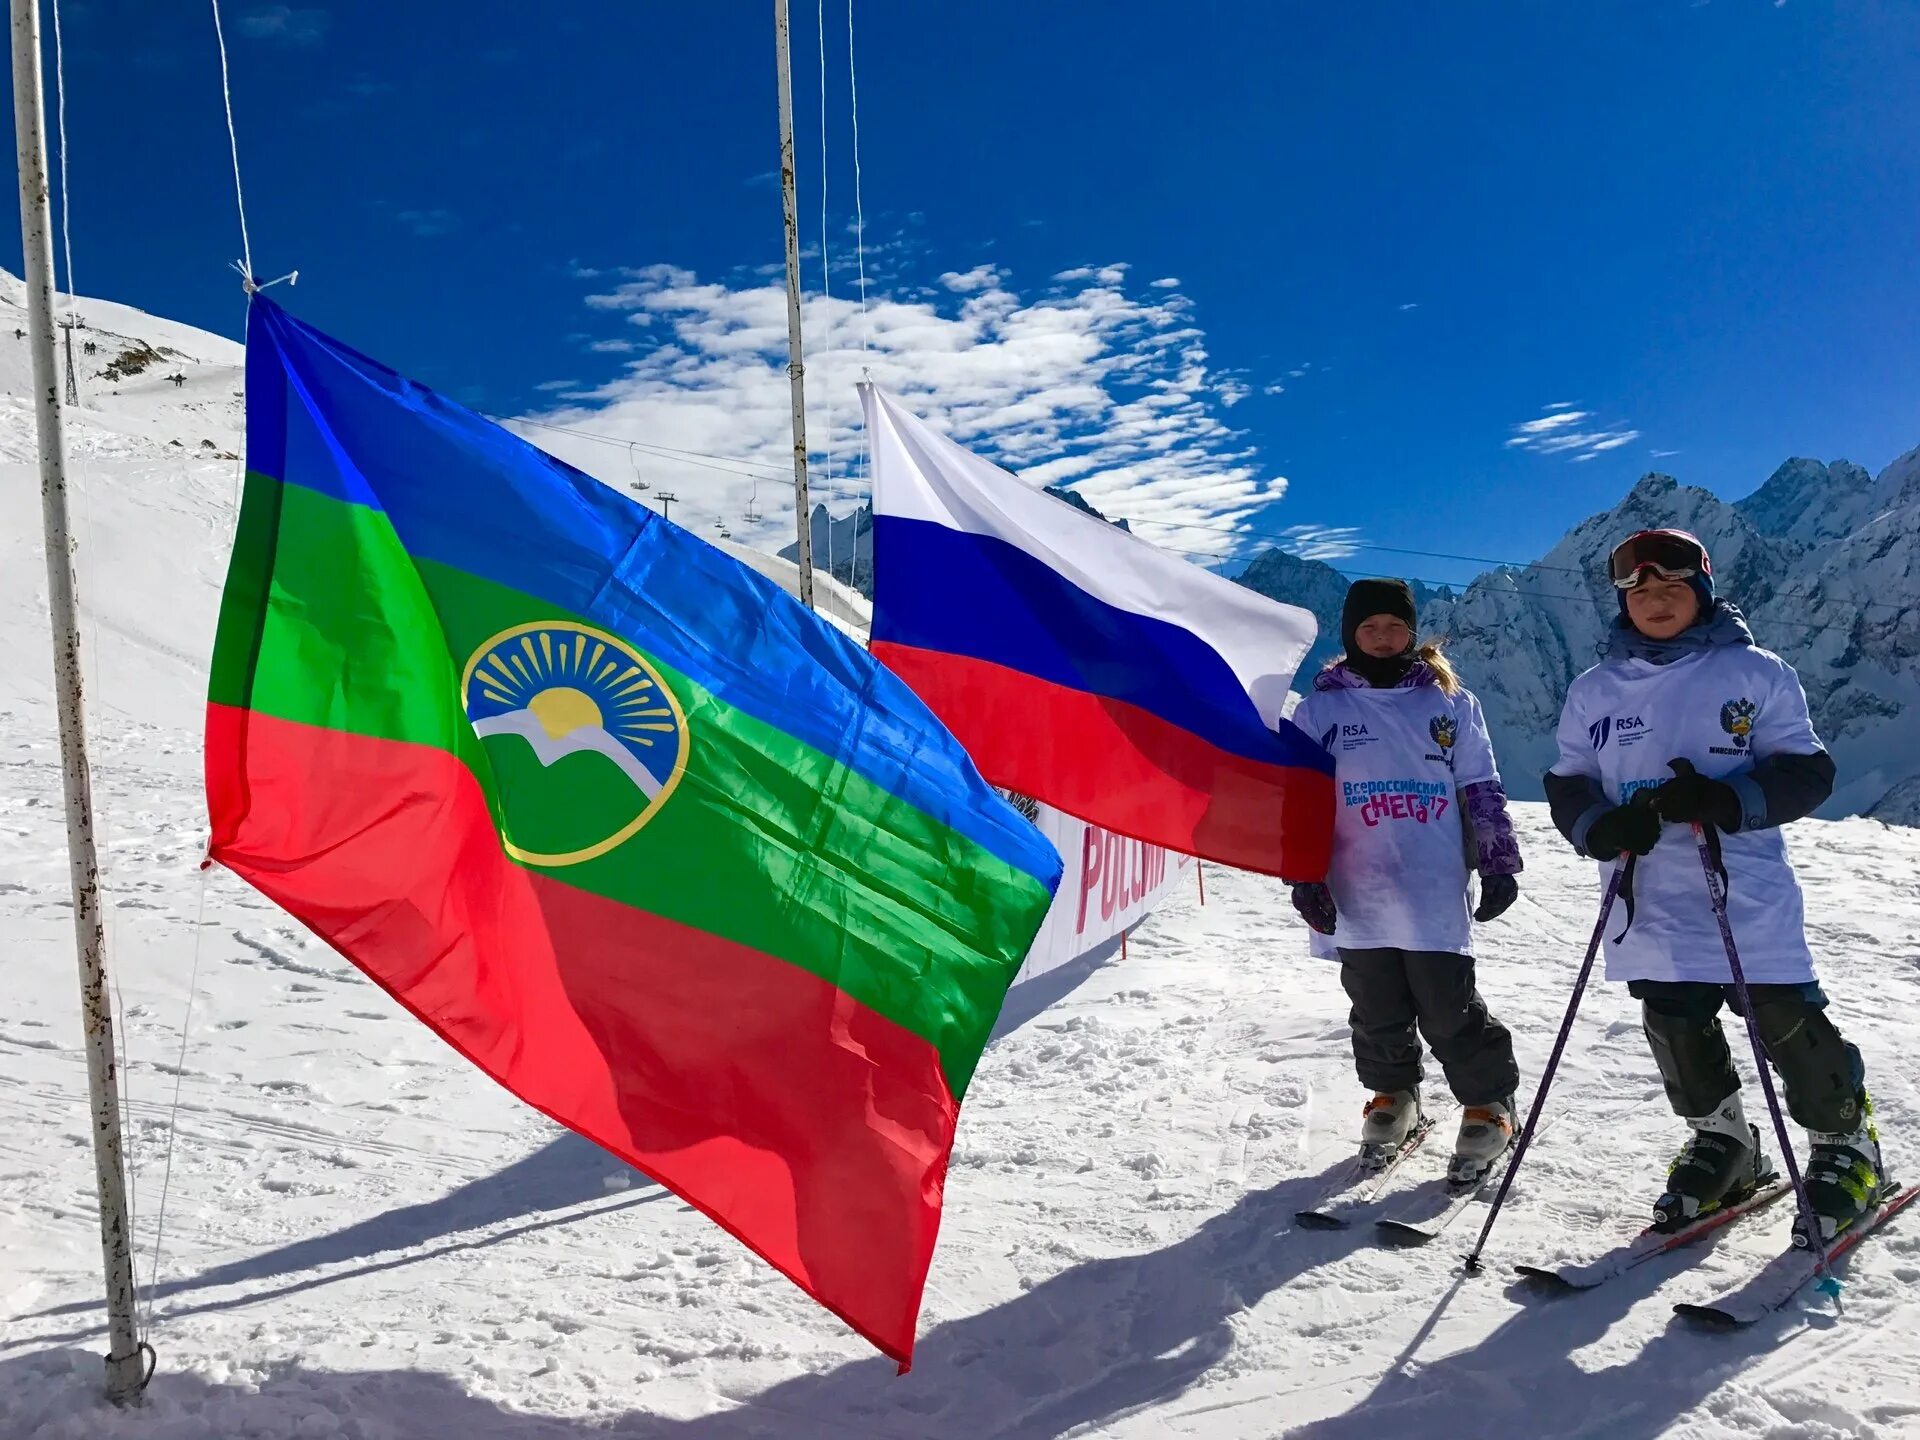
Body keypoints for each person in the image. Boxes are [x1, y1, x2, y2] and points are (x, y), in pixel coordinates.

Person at [1544, 528, 1883, 1243]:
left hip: (1742, 893)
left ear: (1700, 593)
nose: (1657, 603)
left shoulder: (1755, 672)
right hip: (1649, 895)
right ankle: (1725, 1142)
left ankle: (1848, 1146)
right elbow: (1568, 782)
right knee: (1673, 1022)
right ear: (1622, 605)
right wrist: (1598, 829)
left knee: (1783, 1019)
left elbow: (1807, 771)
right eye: (1642, 593)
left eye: (1673, 589)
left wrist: (1727, 802)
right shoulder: (1594, 689)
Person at [1289, 578, 1525, 1184]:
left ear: (1413, 632)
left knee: (1447, 1004)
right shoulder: (1322, 710)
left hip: (1429, 881)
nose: (1384, 637)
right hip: (1356, 887)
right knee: (1375, 1006)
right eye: (1370, 628)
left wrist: (1498, 858)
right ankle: (1394, 1095)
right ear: (1351, 635)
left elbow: (1479, 785)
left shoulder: (1448, 701)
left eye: (1395, 626)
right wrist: (1303, 873)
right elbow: (1300, 799)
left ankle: (1489, 1102)